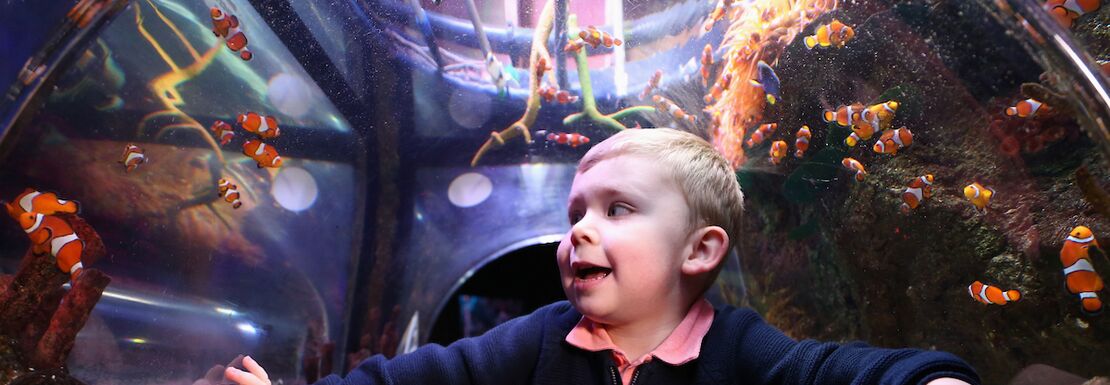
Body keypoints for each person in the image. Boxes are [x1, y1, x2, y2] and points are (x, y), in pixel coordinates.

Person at [226, 128, 979, 385]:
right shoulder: (543, 337)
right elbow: (423, 376)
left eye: (617, 209)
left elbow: (825, 371)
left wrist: (927, 377)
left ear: (700, 249)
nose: (579, 230)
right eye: (574, 213)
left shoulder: (739, 346)